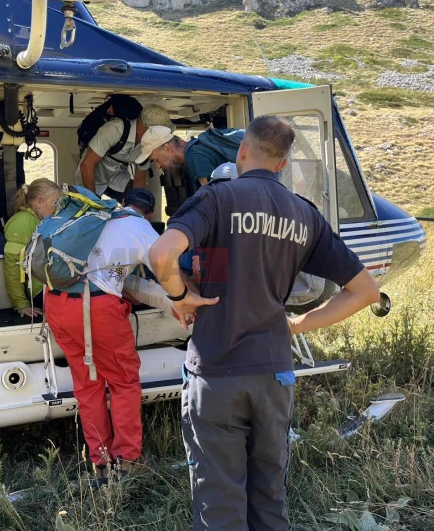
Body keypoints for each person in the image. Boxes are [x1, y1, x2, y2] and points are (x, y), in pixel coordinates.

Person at [148, 116, 380, 531]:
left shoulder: (218, 199)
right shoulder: (303, 215)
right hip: (274, 372)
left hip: (217, 371)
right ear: (285, 163)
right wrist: (297, 326)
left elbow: (162, 256)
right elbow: (365, 292)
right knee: (270, 499)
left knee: (220, 503)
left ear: (241, 151)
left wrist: (181, 297)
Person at [44, 188, 161, 485]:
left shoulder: (100, 216)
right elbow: (166, 268)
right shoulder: (141, 227)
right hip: (95, 307)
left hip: (56, 301)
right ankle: (128, 460)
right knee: (123, 381)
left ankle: (101, 462)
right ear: (148, 213)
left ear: (123, 204)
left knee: (88, 384)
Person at [76, 103, 173, 201]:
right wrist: (92, 201)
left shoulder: (149, 144)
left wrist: (138, 206)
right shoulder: (114, 130)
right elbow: (87, 164)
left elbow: (141, 175)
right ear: (149, 128)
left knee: (137, 197)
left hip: (117, 178)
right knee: (88, 210)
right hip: (91, 178)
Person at [3, 179, 62, 318]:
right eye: (55, 203)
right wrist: (21, 304)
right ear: (39, 202)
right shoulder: (21, 222)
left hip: (50, 284)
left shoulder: (42, 219)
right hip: (39, 290)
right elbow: (12, 266)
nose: (58, 208)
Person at [135, 125, 242, 189]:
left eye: (156, 160)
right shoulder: (199, 145)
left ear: (167, 148)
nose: (158, 166)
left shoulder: (193, 157)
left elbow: (214, 199)